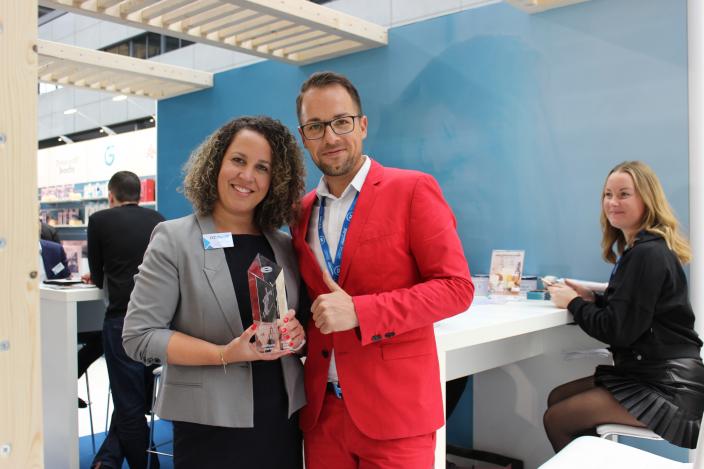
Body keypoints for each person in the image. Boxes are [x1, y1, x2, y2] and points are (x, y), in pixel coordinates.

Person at [290, 71, 474, 468]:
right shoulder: (301, 212)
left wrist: (361, 311)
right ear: (304, 137)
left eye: (341, 122)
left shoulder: (412, 189)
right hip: (323, 415)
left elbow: (456, 288)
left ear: (362, 125)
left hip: (396, 412)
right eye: (316, 127)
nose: (331, 137)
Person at [122, 116, 308, 468]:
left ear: (276, 179)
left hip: (282, 421)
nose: (247, 176)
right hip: (209, 427)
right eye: (238, 160)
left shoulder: (284, 245)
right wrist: (224, 353)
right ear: (216, 163)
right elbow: (139, 336)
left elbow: (304, 329)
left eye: (262, 167)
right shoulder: (174, 239)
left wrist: (298, 338)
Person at [544, 160, 704, 452]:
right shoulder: (643, 249)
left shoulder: (646, 254)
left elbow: (618, 330)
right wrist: (594, 300)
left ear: (647, 199)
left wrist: (574, 303)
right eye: (608, 194)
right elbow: (637, 311)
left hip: (669, 388)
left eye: (623, 194)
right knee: (557, 398)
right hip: (655, 374)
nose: (612, 202)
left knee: (557, 419)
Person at [83, 171, 165, 469]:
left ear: (111, 195)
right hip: (159, 324)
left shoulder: (99, 220)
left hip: (123, 322)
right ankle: (108, 459)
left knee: (128, 406)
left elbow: (98, 276)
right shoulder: (158, 220)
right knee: (135, 401)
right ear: (140, 195)